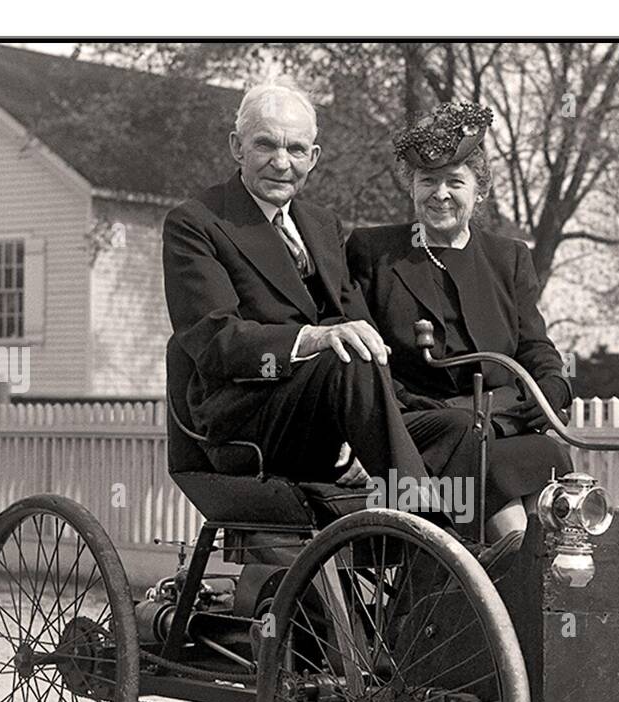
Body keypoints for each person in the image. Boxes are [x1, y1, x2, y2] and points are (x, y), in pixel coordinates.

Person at [161, 79, 476, 507]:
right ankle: (431, 535)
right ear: (237, 147)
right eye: (265, 145)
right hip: (248, 417)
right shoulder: (197, 223)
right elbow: (214, 338)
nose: (280, 162)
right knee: (340, 355)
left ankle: (416, 565)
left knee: (455, 426)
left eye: (295, 150)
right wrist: (312, 338)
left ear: (313, 158)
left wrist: (386, 415)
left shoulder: (321, 225)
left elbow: (357, 324)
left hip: (327, 410)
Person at [347, 101, 574, 548]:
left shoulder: (507, 257)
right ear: (411, 188)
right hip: (420, 431)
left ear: (480, 191)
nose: (441, 194)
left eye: (456, 181)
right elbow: (365, 357)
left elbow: (534, 346)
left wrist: (553, 384)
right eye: (427, 181)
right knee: (487, 464)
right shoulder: (373, 253)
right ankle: (515, 582)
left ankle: (534, 583)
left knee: (547, 455)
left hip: (501, 421)